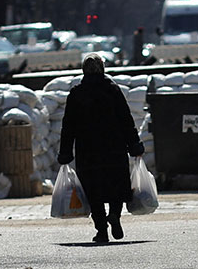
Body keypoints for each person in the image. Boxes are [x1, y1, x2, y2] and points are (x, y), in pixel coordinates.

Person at [57, 53, 145, 243]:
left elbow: (68, 126)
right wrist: (134, 145)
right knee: (117, 186)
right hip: (114, 149)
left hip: (88, 152)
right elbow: (126, 120)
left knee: (93, 191)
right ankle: (114, 214)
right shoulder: (112, 90)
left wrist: (65, 152)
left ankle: (102, 230)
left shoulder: (76, 93)